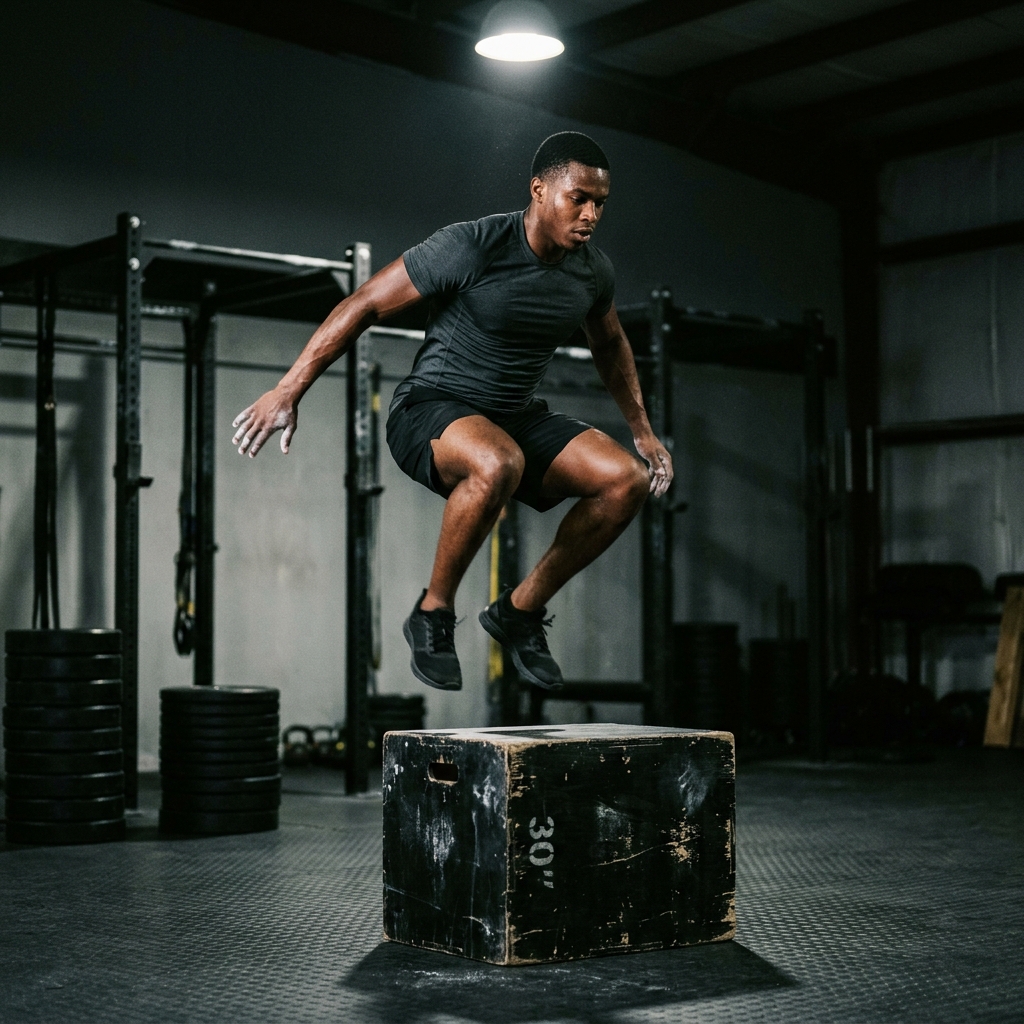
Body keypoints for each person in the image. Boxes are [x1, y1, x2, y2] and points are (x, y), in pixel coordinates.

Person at [231, 131, 673, 694]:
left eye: (600, 204)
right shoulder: (472, 245)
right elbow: (364, 303)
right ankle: (432, 613)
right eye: (578, 198)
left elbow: (609, 343)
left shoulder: (592, 272)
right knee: (498, 461)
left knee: (624, 480)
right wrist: (288, 389)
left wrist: (642, 431)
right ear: (539, 190)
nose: (590, 215)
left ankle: (519, 612)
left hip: (514, 417)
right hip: (429, 409)